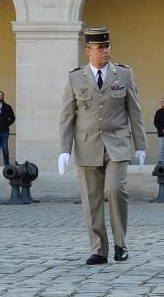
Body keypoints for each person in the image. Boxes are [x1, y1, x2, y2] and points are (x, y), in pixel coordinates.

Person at [58, 27, 146, 265]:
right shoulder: (75, 77)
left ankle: (120, 244)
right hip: (87, 146)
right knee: (91, 198)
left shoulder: (124, 74)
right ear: (88, 50)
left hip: (117, 144)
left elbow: (134, 112)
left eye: (108, 46)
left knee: (116, 191)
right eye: (100, 47)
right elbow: (67, 115)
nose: (106, 51)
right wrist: (64, 150)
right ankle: (99, 249)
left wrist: (140, 145)